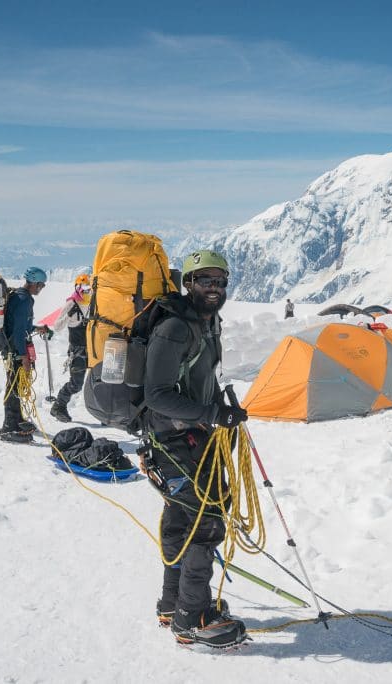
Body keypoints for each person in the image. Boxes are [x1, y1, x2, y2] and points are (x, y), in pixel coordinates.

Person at [141, 249, 249, 649]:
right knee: (207, 521)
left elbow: (201, 377)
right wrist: (212, 413)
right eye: (205, 280)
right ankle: (193, 617)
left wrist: (221, 409)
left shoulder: (207, 323)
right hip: (173, 440)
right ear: (188, 283)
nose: (214, 288)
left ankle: (174, 604)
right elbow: (156, 395)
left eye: (220, 281)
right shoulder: (174, 328)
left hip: (191, 438)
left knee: (180, 520)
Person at [0, 266, 51, 444]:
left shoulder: (18, 296)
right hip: (15, 350)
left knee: (16, 385)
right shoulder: (24, 300)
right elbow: (19, 329)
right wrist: (23, 357)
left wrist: (37, 328)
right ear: (34, 283)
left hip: (12, 348)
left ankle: (17, 419)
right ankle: (8, 428)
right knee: (13, 387)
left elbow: (22, 324)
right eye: (41, 285)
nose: (41, 288)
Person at [50, 274, 91, 423]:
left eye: (88, 288)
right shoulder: (71, 303)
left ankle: (103, 412)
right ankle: (58, 406)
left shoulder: (93, 304)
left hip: (92, 349)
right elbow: (57, 326)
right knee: (76, 384)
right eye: (83, 288)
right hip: (77, 351)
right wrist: (69, 315)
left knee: (99, 380)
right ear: (77, 287)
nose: (86, 291)